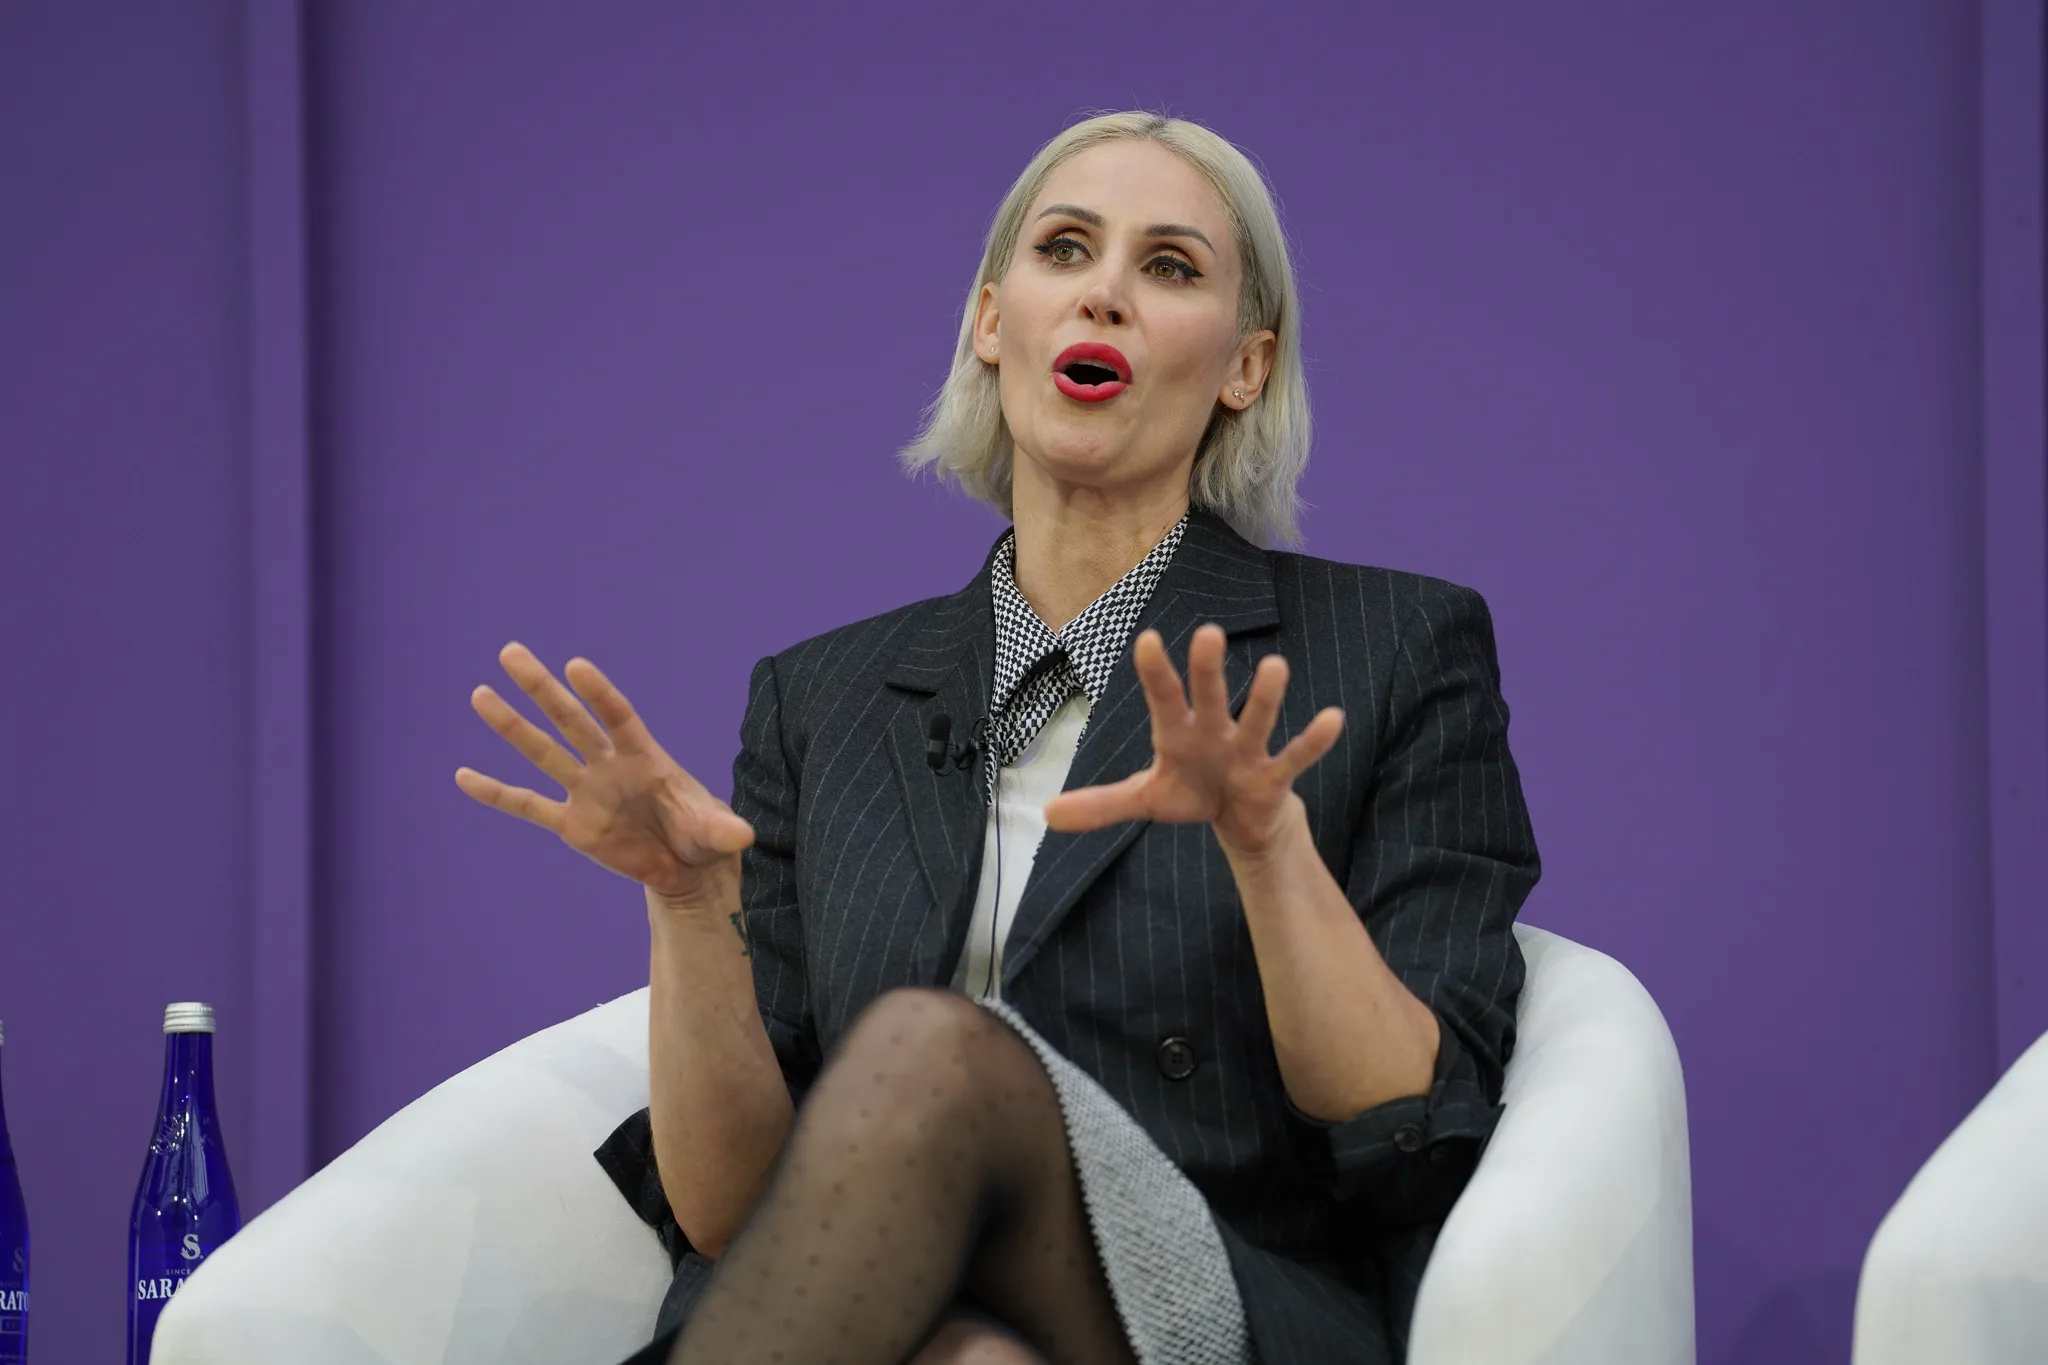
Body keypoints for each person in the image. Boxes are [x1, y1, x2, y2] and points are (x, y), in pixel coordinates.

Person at [455, 109, 1541, 1365]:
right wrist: (693, 909)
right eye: (1064, 250)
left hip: (1208, 1296)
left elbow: (1407, 1116)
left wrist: (1264, 845)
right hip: (882, 1313)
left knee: (931, 1051)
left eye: (1169, 267)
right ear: (988, 321)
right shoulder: (824, 699)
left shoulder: (1390, 648)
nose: (1106, 298)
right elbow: (731, 1212)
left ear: (1246, 365)